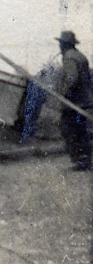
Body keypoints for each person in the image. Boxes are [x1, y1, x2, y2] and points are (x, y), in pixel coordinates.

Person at [55, 30, 93, 171]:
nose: (59, 47)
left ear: (65, 45)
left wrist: (63, 93)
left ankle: (80, 160)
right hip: (84, 100)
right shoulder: (80, 56)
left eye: (61, 44)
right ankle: (85, 160)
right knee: (80, 130)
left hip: (75, 102)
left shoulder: (69, 58)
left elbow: (72, 77)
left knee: (68, 129)